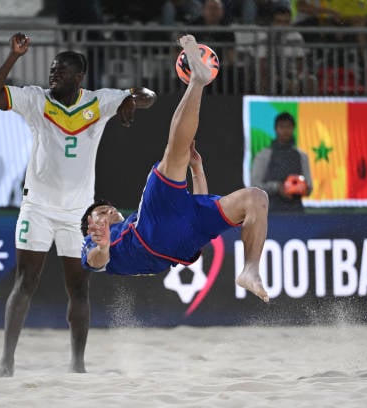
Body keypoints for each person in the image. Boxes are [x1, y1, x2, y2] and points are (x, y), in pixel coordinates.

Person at [0, 32, 156, 376]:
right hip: (38, 208)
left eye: (60, 71)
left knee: (78, 287)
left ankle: (77, 363)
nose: (53, 75)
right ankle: (7, 360)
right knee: (25, 282)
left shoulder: (99, 100)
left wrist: (132, 101)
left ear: (79, 76)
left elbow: (148, 95)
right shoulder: (35, 99)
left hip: (78, 214)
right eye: (52, 70)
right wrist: (13, 57)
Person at [80, 35, 269, 303]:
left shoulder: (130, 220)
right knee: (174, 153)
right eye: (101, 211)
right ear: (89, 228)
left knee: (256, 198)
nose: (109, 210)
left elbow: (200, 202)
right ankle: (197, 81)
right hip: (151, 237)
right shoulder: (95, 243)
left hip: (183, 240)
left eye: (108, 207)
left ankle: (250, 270)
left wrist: (198, 170)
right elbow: (97, 261)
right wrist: (102, 245)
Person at [250, 112, 313, 213]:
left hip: (296, 213)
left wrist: (299, 188)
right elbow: (254, 185)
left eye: (288, 127)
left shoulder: (302, 156)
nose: (285, 131)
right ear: (276, 129)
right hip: (270, 213)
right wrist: (277, 187)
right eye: (282, 127)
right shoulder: (264, 155)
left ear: (293, 129)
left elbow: (309, 187)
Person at [257, 5, 317, 94]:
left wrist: (296, 79)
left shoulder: (296, 36)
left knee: (311, 80)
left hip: (292, 75)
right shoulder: (263, 36)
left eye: (286, 22)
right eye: (279, 22)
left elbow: (300, 64)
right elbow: (262, 66)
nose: (283, 25)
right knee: (268, 80)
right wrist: (281, 79)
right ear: (272, 22)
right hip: (271, 74)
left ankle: (308, 107)